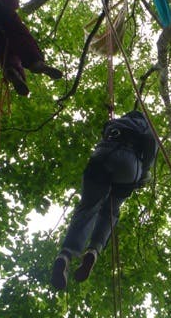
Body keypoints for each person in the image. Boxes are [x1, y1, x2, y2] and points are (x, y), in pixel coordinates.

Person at [51, 110, 158, 290]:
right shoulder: (146, 127)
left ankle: (65, 256)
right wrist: (143, 175)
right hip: (129, 166)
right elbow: (150, 146)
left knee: (88, 207)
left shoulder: (115, 122)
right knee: (111, 210)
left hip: (102, 157)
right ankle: (93, 250)